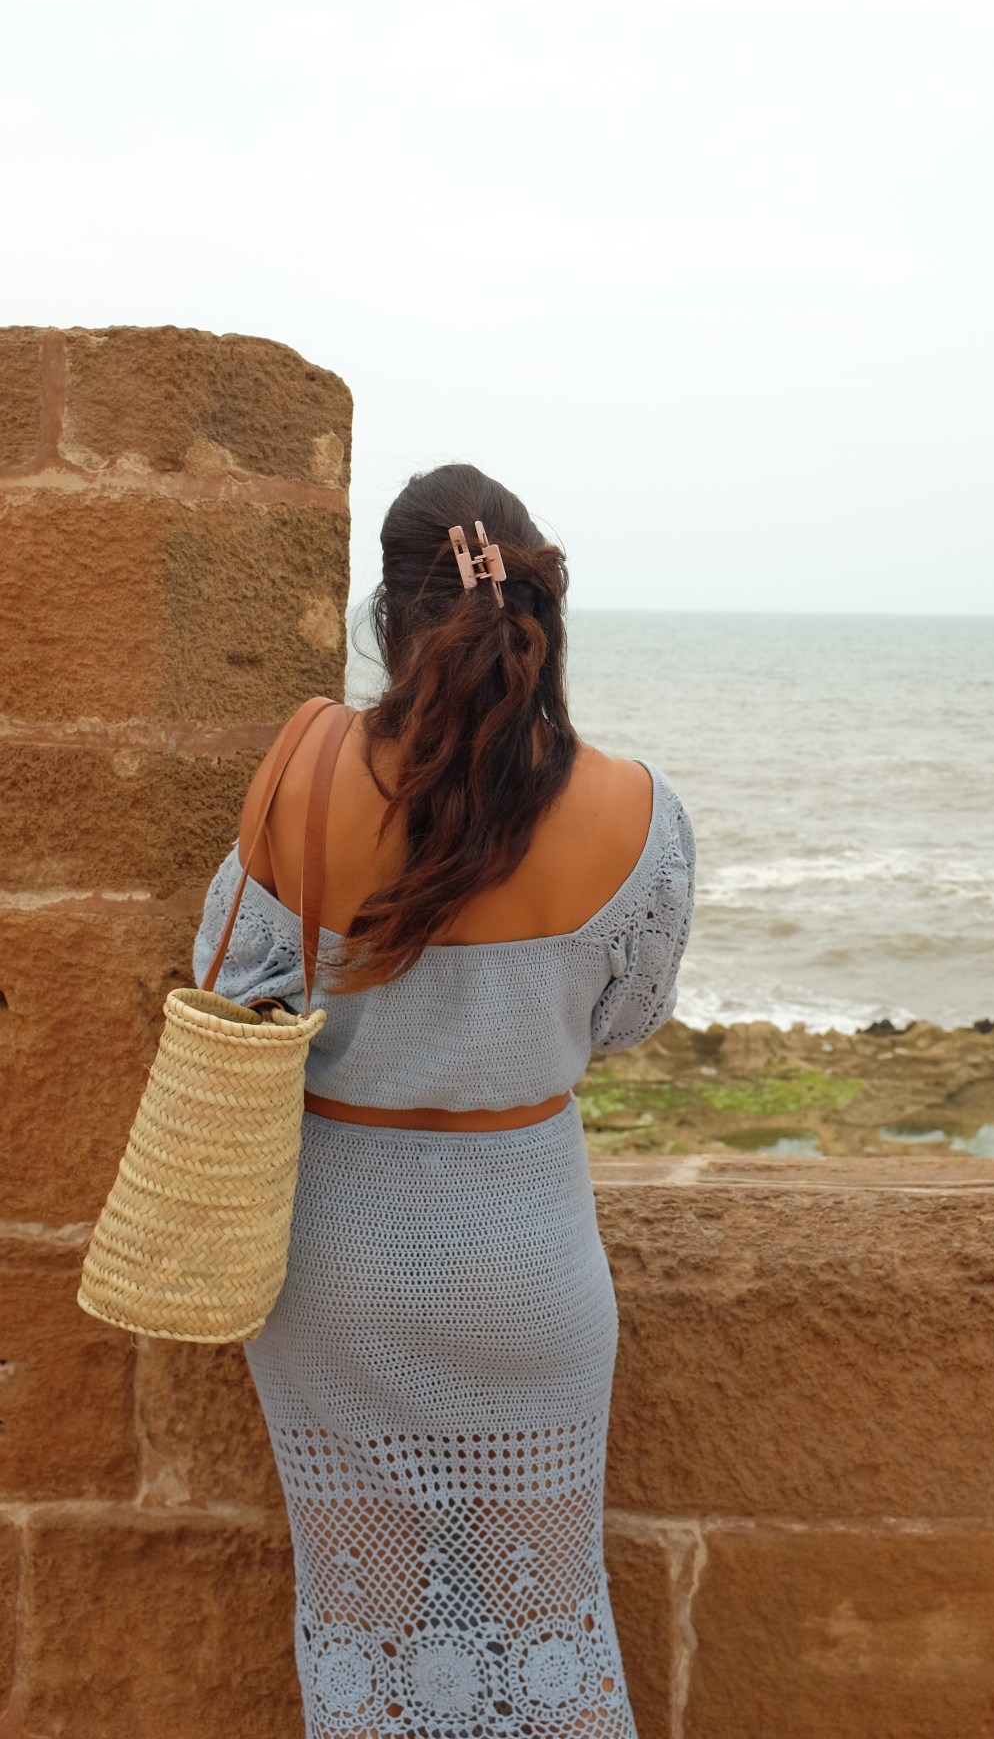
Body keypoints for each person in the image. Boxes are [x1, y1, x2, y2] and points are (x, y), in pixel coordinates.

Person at [192, 461, 695, 1739]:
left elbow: (229, 986)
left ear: (387, 617)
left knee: (364, 1623)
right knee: (545, 1620)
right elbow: (628, 1018)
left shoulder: (301, 778)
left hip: (337, 1271)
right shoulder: (638, 810)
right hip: (530, 1265)